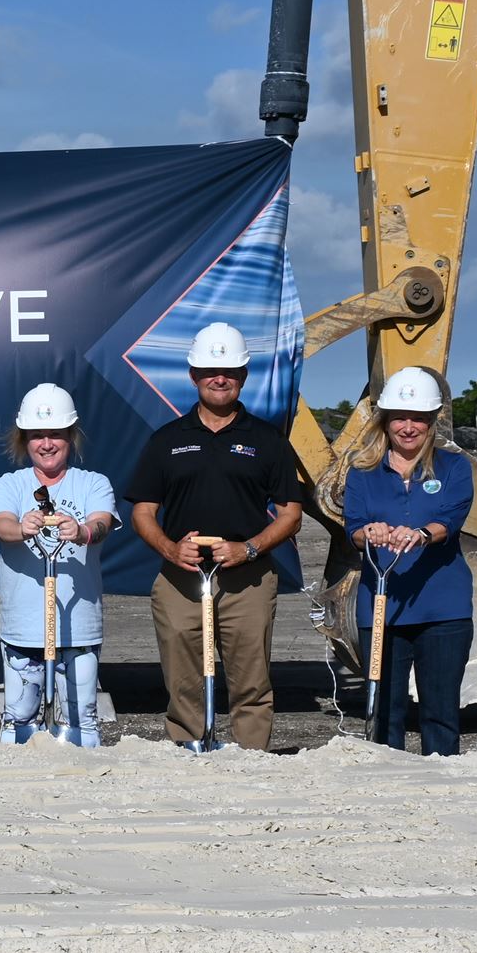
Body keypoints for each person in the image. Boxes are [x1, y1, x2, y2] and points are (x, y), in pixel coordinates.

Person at [126, 322, 304, 751]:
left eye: (228, 370)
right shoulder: (167, 440)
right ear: (193, 374)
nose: (219, 378)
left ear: (243, 376)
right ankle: (187, 751)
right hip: (180, 578)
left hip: (248, 579)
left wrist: (249, 548)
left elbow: (291, 514)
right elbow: (143, 511)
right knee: (182, 677)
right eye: (209, 370)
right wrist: (169, 547)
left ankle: (250, 759)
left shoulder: (267, 440)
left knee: (251, 680)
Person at [335, 367, 475, 755]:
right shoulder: (363, 472)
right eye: (400, 417)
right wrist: (370, 533)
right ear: (385, 420)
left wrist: (423, 534)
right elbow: (355, 527)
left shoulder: (455, 467)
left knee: (441, 712)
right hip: (382, 606)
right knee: (384, 712)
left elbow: (451, 517)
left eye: (418, 418)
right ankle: (388, 787)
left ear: (432, 422)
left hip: (443, 607)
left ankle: (441, 782)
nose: (408, 427)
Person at [0, 382, 117, 747]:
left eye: (55, 434)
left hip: (79, 627)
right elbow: (1, 524)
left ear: (70, 437)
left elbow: (102, 523)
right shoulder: (9, 484)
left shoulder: (92, 483)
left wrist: (83, 531)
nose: (46, 443)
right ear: (24, 439)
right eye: (37, 435)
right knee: (19, 721)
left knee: (81, 724)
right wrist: (21, 528)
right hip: (23, 627)